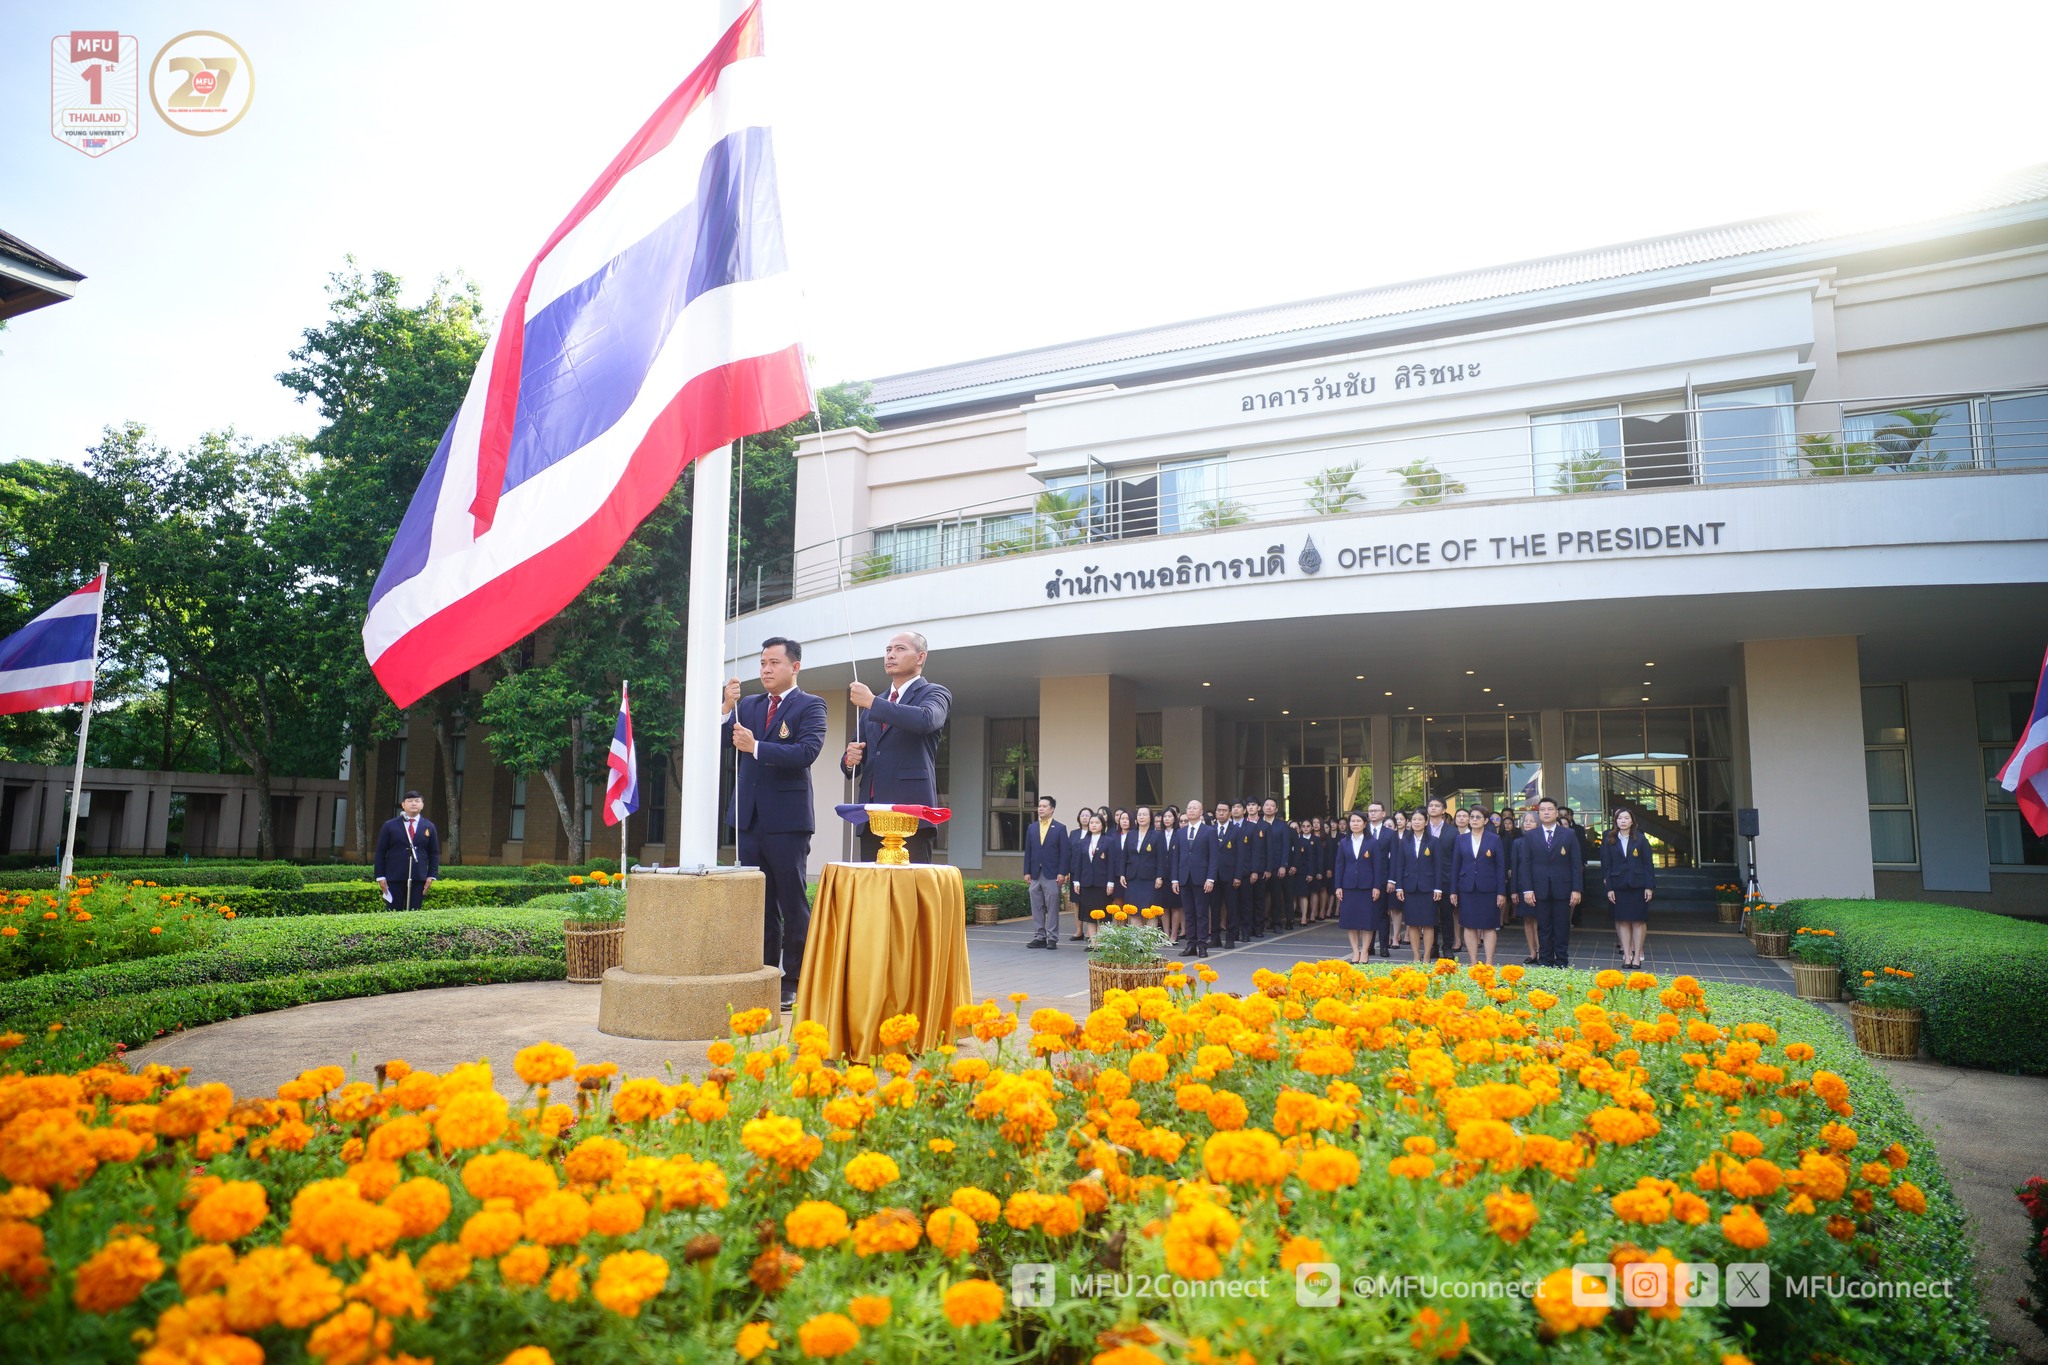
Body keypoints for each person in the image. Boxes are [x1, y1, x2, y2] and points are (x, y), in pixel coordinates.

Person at [722, 636, 827, 1008]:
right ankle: (765, 973)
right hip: (749, 819)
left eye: (774, 663)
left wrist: (757, 747)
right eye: (762, 663)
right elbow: (722, 742)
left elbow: (806, 752)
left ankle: (795, 980)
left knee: (792, 902)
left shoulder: (811, 706)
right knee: (760, 905)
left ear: (794, 667)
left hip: (788, 822)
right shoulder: (748, 705)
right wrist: (725, 707)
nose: (766, 669)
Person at [841, 631, 952, 863]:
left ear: (921, 657)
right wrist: (850, 759)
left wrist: (872, 702)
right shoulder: (875, 702)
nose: (891, 655)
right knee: (873, 890)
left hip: (911, 815)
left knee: (911, 891)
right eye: (888, 650)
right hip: (873, 815)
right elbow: (857, 753)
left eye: (900, 649)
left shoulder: (934, 692)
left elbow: (925, 720)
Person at [1521, 797, 1585, 967]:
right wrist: (1527, 889)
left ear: (1556, 813)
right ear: (1539, 813)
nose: (1546, 812)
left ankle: (1562, 961)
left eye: (1550, 809)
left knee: (1562, 926)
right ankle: (1546, 961)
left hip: (1563, 889)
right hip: (1539, 889)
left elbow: (1575, 864)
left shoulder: (1568, 834)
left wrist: (1576, 889)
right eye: (1543, 810)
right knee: (1543, 927)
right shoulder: (1531, 835)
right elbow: (1525, 864)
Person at [1449, 804, 1506, 967]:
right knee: (1468, 925)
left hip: (1488, 888)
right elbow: (1456, 865)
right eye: (1471, 817)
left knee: (1489, 926)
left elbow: (1500, 866)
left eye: (1477, 817)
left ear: (1485, 820)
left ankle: (1488, 962)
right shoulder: (1461, 839)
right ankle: (1473, 961)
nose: (1473, 820)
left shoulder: (1494, 839)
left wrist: (1501, 892)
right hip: (1467, 887)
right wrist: (1453, 890)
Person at [1602, 807, 1657, 968]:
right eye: (1620, 818)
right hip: (1618, 885)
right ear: (1616, 821)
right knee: (1623, 921)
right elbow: (1607, 866)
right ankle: (1627, 956)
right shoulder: (1610, 839)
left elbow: (1648, 865)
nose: (1623, 821)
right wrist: (1609, 888)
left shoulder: (1640, 839)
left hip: (1638, 885)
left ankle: (1637, 957)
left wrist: (1649, 886)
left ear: (1632, 821)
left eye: (1626, 818)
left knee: (1638, 921)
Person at [374, 790, 439, 912]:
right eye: (410, 801)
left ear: (422, 805)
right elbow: (380, 852)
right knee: (394, 912)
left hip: (418, 877)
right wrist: (380, 876)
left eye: (417, 801)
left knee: (414, 912)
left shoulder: (429, 826)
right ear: (403, 805)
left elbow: (434, 853)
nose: (413, 803)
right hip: (394, 876)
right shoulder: (390, 825)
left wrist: (431, 875)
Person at [1334, 811, 1384, 964]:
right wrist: (1338, 886)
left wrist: (1377, 886)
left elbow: (1378, 867)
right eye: (1352, 821)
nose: (1355, 824)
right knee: (1351, 921)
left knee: (1366, 921)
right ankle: (1355, 951)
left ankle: (1365, 951)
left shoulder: (1372, 842)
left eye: (1358, 821)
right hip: (1348, 886)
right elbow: (1339, 865)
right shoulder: (1344, 842)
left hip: (1367, 886)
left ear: (1364, 824)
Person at [1172, 798, 1220, 957]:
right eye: (1189, 808)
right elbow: (1176, 857)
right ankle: (1190, 944)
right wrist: (1175, 879)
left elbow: (1214, 857)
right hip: (1184, 878)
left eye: (1195, 808)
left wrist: (1211, 878)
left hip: (1202, 878)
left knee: (1202, 913)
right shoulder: (1180, 832)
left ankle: (1202, 945)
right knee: (1189, 913)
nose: (1191, 810)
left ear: (1201, 812)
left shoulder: (1210, 831)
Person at [1022, 794, 1068, 951]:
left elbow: (1064, 853)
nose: (1040, 808)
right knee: (1036, 906)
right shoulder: (1032, 827)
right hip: (1035, 873)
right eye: (1039, 806)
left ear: (1052, 809)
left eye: (1044, 806)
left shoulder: (1060, 828)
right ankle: (1039, 936)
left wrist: (1062, 872)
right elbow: (1028, 851)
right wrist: (1026, 871)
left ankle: (1052, 938)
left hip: (1052, 873)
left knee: (1053, 906)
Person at [1391, 809, 1438, 962]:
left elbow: (1438, 866)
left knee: (1429, 923)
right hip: (1410, 887)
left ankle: (1426, 956)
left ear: (1426, 822)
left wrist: (1438, 888)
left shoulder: (1433, 841)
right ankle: (1416, 955)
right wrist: (1399, 887)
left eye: (1420, 819)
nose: (1417, 822)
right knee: (1412, 923)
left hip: (1428, 888)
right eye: (1414, 819)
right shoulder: (1405, 841)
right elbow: (1399, 865)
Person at [1364, 801, 1400, 957]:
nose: (1372, 813)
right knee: (1367, 912)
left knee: (1382, 913)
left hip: (1384, 879)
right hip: (1365, 878)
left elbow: (1395, 859)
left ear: (1383, 814)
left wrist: (1392, 879)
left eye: (1376, 811)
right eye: (1370, 811)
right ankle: (1368, 946)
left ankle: (1384, 946)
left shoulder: (1390, 834)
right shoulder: (1362, 831)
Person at [1072, 810, 1113, 940]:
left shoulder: (1109, 841)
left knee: (1101, 915)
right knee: (1089, 915)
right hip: (1086, 882)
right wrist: (1076, 881)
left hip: (1102, 883)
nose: (1094, 825)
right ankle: (1093, 943)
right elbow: (1078, 863)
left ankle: (1101, 942)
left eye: (1097, 822)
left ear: (1102, 825)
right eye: (1092, 822)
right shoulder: (1083, 841)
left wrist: (1110, 882)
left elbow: (1112, 863)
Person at [1510, 809, 1542, 964]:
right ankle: (1532, 952)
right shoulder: (1518, 842)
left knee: (1540, 919)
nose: (1527, 823)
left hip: (1540, 885)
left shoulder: (1543, 840)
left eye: (1531, 821)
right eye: (1525, 821)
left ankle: (1543, 950)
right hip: (1524, 886)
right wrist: (1514, 890)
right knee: (1528, 920)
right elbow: (1515, 867)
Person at [1260, 798, 1291, 935]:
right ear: (1262, 807)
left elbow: (1286, 847)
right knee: (1259, 897)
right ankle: (1259, 923)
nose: (1269, 808)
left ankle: (1276, 923)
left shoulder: (1282, 825)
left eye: (1272, 806)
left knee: (1276, 896)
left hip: (1276, 866)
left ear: (1276, 809)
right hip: (1260, 866)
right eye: (1266, 805)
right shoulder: (1258, 823)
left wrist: (1283, 865)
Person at [1157, 806, 1184, 942]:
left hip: (1176, 875)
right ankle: (1165, 934)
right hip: (1162, 875)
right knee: (1164, 907)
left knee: (1175, 906)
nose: (1167, 819)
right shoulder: (1158, 834)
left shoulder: (1179, 834)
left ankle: (1174, 934)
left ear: (1175, 819)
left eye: (1170, 816)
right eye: (1165, 817)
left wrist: (1176, 877)